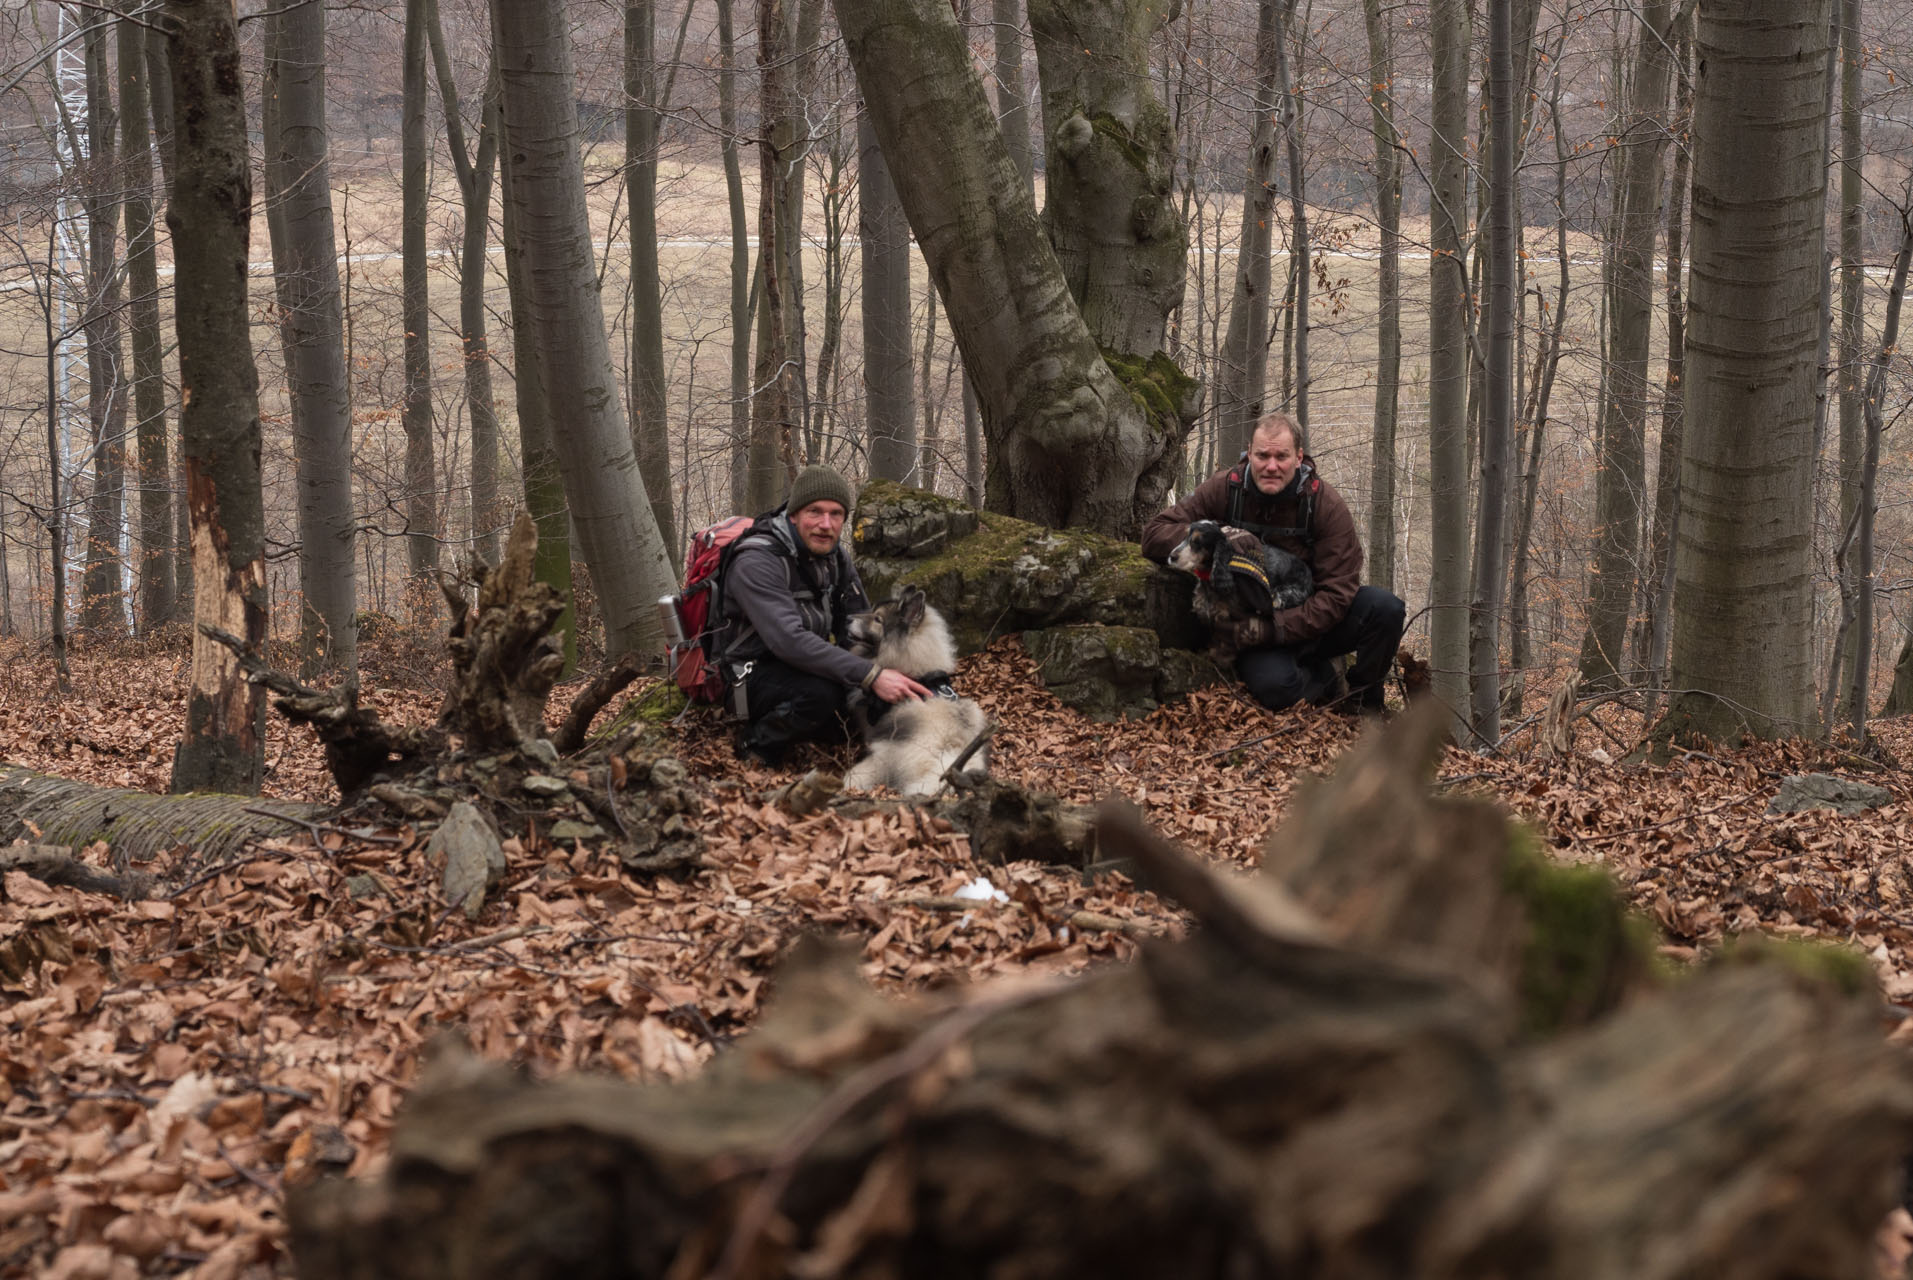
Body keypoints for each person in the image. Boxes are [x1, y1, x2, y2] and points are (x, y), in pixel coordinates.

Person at [1141, 411, 1406, 715]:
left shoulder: (1324, 506)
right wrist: (1219, 536)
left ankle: (1363, 701)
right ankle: (1325, 678)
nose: (1271, 466)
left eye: (1281, 456)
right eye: (1263, 455)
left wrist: (1273, 628)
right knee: (1278, 691)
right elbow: (1154, 535)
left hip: (1312, 621)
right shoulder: (1226, 489)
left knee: (1385, 608)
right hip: (1253, 624)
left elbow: (1337, 595)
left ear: (1298, 457)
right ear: (1249, 454)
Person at [716, 464, 930, 764]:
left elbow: (857, 621)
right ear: (794, 514)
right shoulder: (757, 561)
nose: (825, 524)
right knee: (822, 694)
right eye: (814, 511)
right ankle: (755, 746)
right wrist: (870, 675)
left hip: (801, 665)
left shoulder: (835, 557)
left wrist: (891, 671)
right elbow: (787, 640)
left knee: (865, 696)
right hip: (749, 674)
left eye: (836, 514)